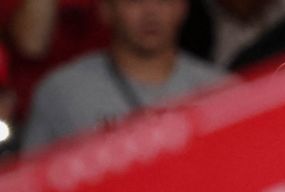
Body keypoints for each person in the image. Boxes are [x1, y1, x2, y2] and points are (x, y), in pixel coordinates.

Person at [21, 0, 224, 151]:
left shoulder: (220, 90)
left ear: (183, 7)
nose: (150, 12)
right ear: (106, 10)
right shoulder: (61, 93)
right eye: (134, 1)